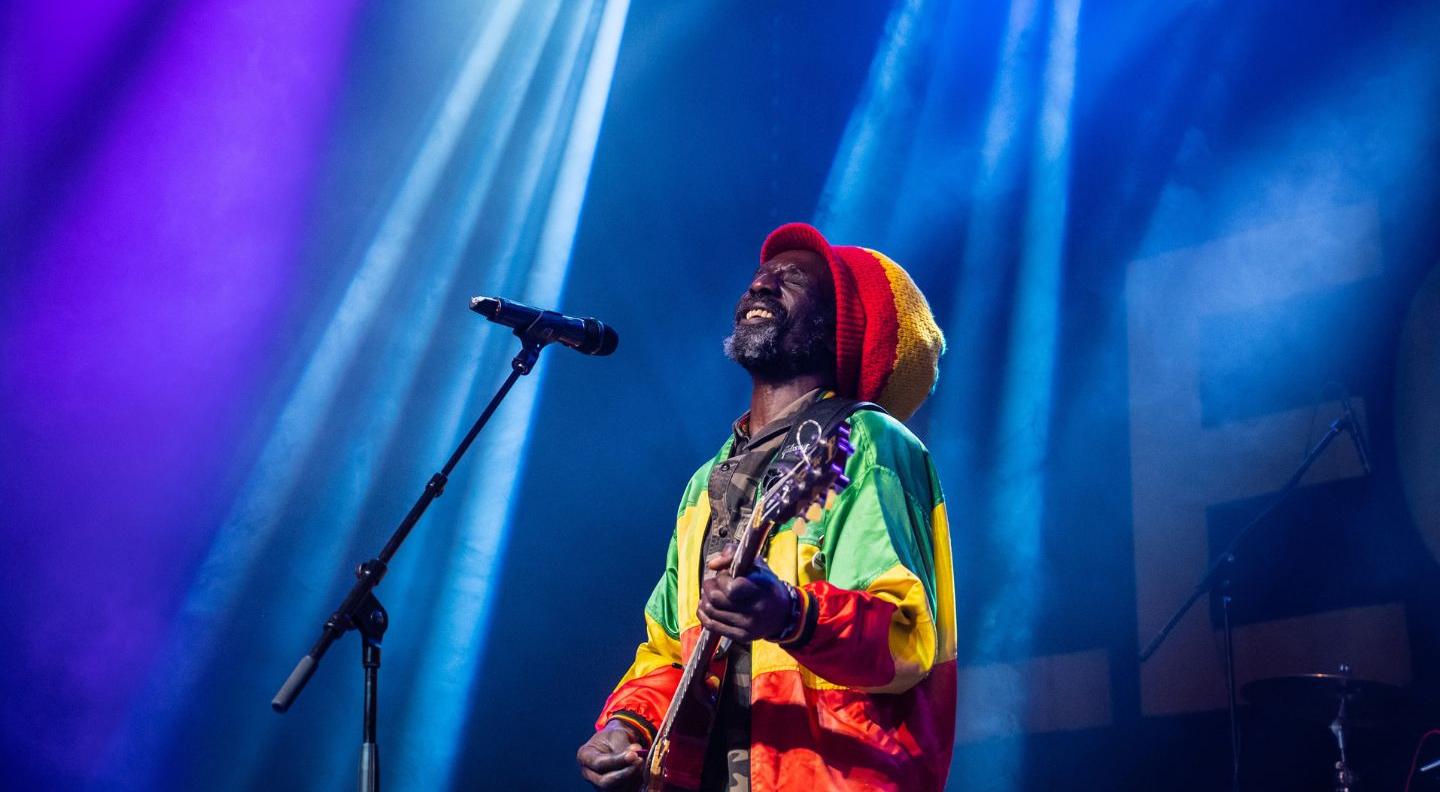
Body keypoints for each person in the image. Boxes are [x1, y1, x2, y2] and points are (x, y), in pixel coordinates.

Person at [577, 222, 956, 791]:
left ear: (839, 329)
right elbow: (666, 649)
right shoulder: (704, 483)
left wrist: (790, 615)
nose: (761, 288)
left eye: (792, 282)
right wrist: (627, 727)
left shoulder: (865, 443)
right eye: (759, 279)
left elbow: (906, 637)